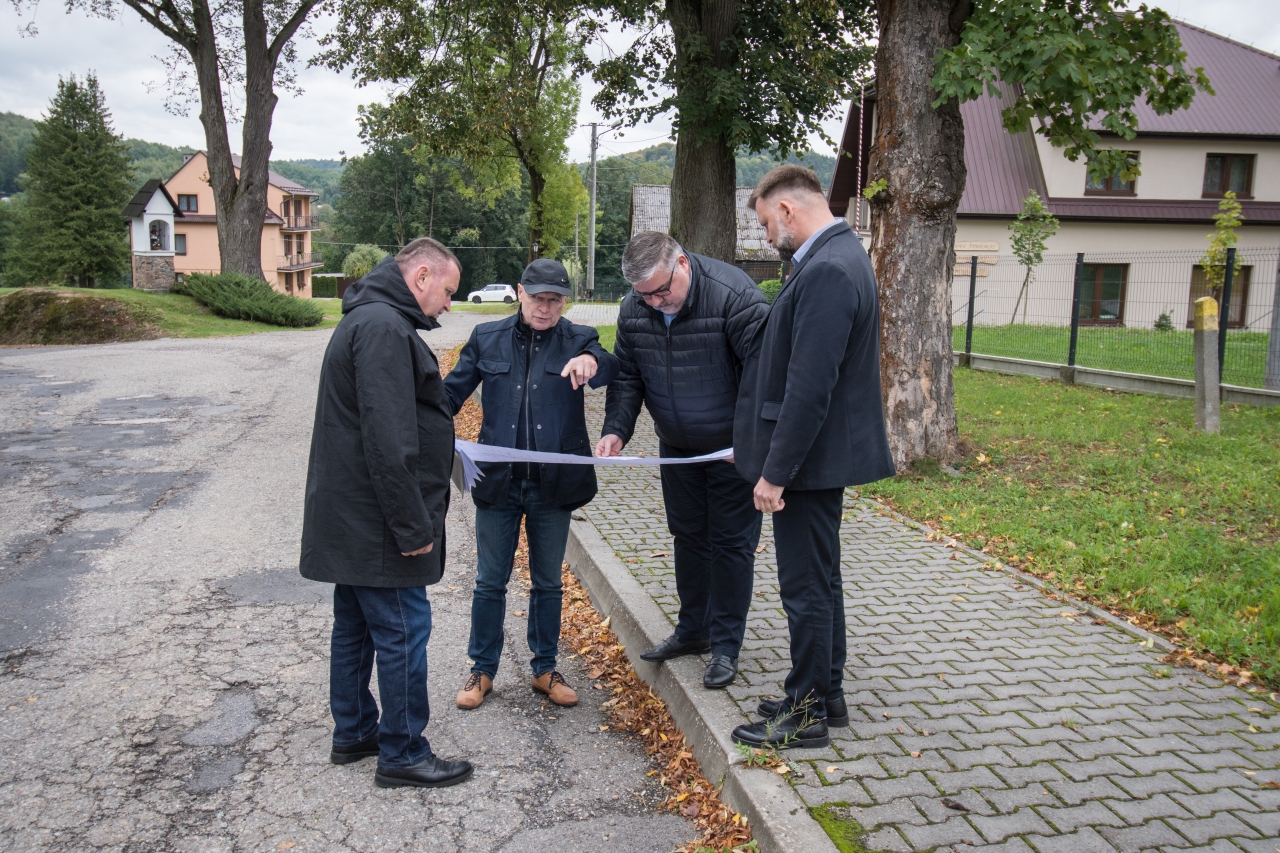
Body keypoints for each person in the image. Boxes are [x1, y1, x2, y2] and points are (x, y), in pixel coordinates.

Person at [299, 237, 473, 789]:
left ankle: (353, 731)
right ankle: (401, 750)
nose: (449, 303)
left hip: (356, 514)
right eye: (447, 290)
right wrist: (411, 525)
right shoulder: (383, 328)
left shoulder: (374, 319)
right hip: (377, 521)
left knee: (354, 624)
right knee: (402, 629)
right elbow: (388, 437)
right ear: (421, 275)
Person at [731, 165, 895, 751]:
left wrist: (776, 472)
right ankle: (826, 693)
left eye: (764, 224)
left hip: (808, 464)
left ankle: (805, 714)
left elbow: (810, 385)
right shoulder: (842, 256)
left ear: (787, 212)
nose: (766, 237)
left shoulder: (826, 269)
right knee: (822, 582)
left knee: (806, 588)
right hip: (821, 460)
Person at [444, 259, 619, 710]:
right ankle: (482, 670)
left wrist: (591, 359)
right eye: (538, 297)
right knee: (489, 582)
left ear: (565, 302)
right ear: (520, 292)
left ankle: (544, 669)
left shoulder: (578, 339)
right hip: (498, 487)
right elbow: (451, 392)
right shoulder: (487, 338)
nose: (545, 307)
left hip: (552, 488)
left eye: (555, 300)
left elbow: (607, 366)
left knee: (548, 583)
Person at [597, 231, 769, 690]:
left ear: (683, 264)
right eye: (644, 295)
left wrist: (751, 441)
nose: (655, 303)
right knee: (688, 537)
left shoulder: (736, 297)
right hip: (677, 449)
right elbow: (629, 376)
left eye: (661, 291)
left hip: (733, 450)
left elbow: (765, 378)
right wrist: (616, 428)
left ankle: (727, 645)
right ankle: (694, 631)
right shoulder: (638, 307)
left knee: (731, 545)